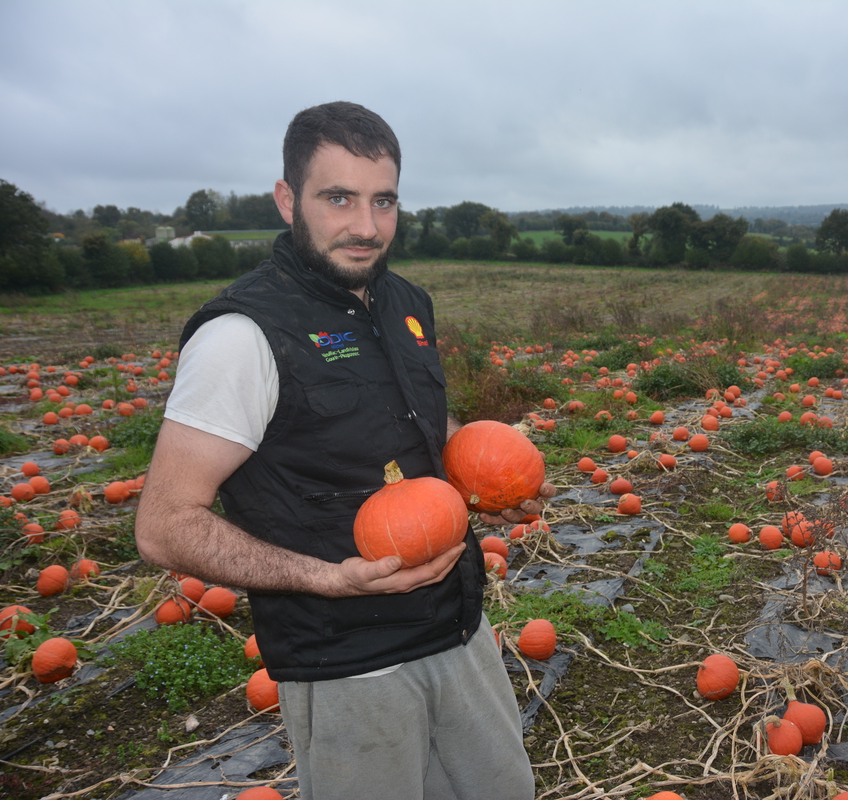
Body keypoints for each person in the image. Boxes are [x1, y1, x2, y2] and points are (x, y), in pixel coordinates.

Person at [135, 101, 547, 800]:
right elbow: (165, 524)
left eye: (382, 200)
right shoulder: (241, 337)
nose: (366, 226)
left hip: (458, 626)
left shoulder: (406, 302)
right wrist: (330, 577)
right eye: (339, 198)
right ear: (287, 199)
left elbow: (419, 434)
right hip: (346, 662)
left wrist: (486, 483)